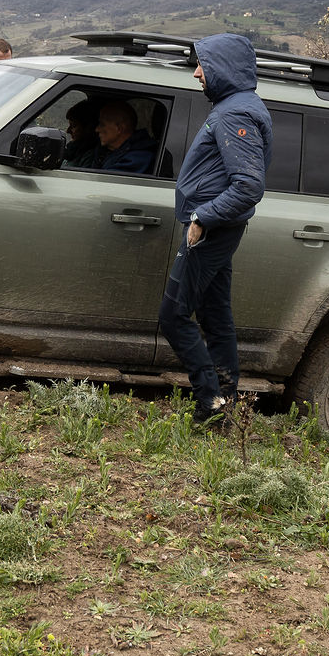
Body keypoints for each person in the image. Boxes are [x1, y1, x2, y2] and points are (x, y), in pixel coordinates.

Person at [158, 33, 269, 424]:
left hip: (211, 230)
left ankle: (212, 402)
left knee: (173, 316)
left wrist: (203, 218)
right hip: (218, 229)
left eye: (202, 65)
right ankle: (226, 402)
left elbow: (248, 185)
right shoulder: (236, 106)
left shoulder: (234, 114)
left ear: (221, 67)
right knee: (215, 316)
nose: (196, 73)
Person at [94, 98, 158, 174]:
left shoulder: (138, 159)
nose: (97, 129)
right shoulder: (111, 152)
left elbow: (105, 182)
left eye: (102, 124)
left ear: (119, 129)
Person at [63, 98, 102, 167]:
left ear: (88, 128)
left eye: (73, 126)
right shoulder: (74, 150)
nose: (68, 131)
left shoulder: (90, 156)